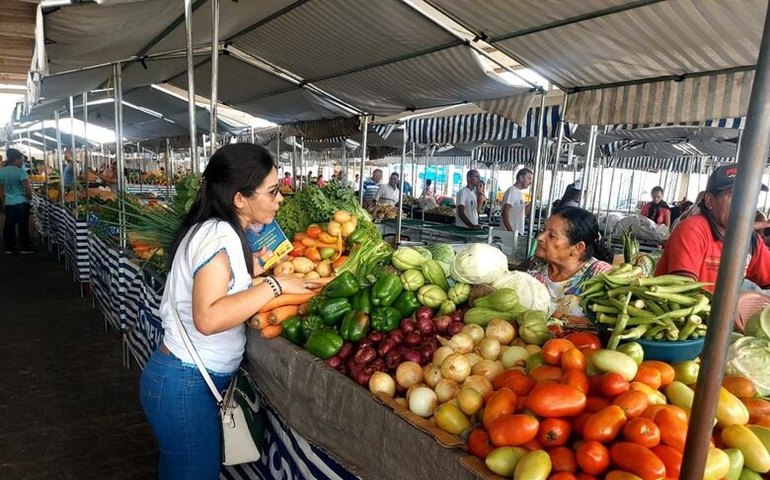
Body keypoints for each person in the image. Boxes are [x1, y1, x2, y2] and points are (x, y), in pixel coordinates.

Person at [139, 144, 315, 478]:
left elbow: (223, 278)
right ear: (239, 198)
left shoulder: (216, 229)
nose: (280, 199)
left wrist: (257, 268)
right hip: (184, 386)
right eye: (273, 192)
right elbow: (208, 318)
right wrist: (275, 287)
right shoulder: (218, 233)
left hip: (183, 382)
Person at [655, 163, 770, 291]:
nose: (744, 205)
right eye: (734, 196)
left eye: (751, 197)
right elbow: (684, 292)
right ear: (709, 200)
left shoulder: (751, 241)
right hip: (689, 309)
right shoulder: (692, 230)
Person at [527, 207, 614, 324]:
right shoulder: (536, 264)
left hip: (579, 342)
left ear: (577, 248)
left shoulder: (600, 274)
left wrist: (560, 317)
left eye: (552, 236)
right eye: (543, 230)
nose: (540, 237)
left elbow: (610, 323)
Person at [0, 149, 34, 254]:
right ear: (17, 159)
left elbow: (0, 189)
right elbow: (27, 187)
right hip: (21, 202)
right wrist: (30, 198)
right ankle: (24, 247)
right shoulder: (20, 171)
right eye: (21, 160)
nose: (22, 162)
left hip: (9, 202)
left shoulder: (1, 171)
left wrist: (3, 200)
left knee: (9, 225)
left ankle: (9, 247)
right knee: (22, 225)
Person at [502, 168, 533, 233]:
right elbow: (504, 212)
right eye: (529, 178)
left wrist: (532, 202)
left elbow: (523, 214)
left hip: (517, 233)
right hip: (510, 234)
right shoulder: (512, 191)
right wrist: (510, 231)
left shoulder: (520, 193)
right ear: (521, 178)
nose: (530, 182)